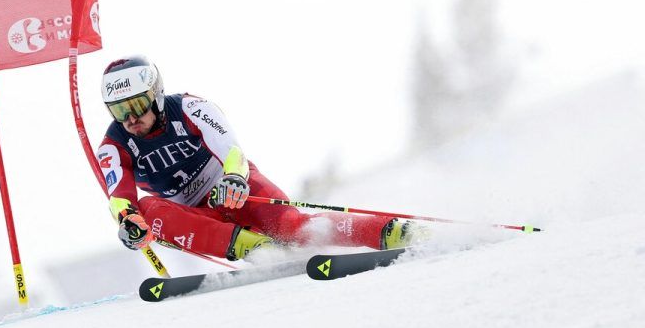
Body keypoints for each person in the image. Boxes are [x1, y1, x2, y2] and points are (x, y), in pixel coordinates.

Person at [96, 55, 416, 260]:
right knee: (147, 210)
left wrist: (234, 177)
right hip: (196, 218)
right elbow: (120, 198)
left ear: (157, 96)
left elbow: (231, 150)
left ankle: (389, 231)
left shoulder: (191, 108)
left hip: (233, 192)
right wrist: (129, 222)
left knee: (297, 229)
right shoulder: (114, 144)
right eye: (119, 111)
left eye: (136, 106)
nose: (129, 119)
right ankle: (258, 249)